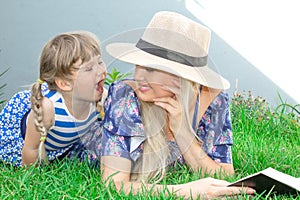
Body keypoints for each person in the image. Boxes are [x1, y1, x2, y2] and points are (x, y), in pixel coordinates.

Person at [100, 11, 255, 199]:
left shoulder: (214, 101)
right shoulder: (124, 96)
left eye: (150, 69)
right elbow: (113, 184)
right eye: (138, 65)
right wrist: (185, 191)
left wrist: (181, 131)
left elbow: (223, 176)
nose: (139, 76)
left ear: (181, 77)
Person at [0, 31, 106, 166]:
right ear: (64, 84)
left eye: (100, 62)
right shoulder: (48, 109)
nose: (101, 71)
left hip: (68, 141)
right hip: (28, 140)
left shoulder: (101, 97)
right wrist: (32, 179)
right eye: (89, 69)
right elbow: (30, 149)